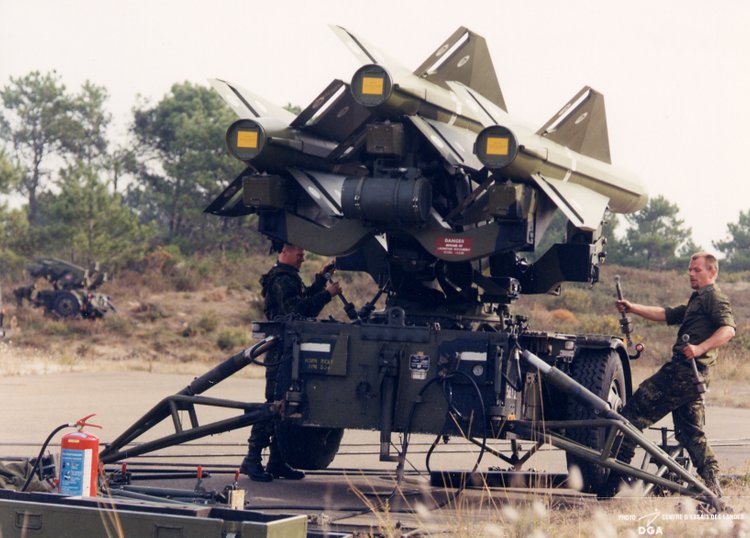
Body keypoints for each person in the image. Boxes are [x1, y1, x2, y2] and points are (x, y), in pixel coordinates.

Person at [607, 252, 735, 497]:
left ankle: (617, 474)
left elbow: (728, 329)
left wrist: (700, 348)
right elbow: (666, 314)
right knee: (691, 434)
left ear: (712, 272)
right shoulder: (698, 299)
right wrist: (632, 308)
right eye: (690, 269)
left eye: (697, 270)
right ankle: (712, 486)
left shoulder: (714, 297)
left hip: (683, 373)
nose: (691, 273)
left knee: (631, 416)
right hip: (693, 378)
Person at [240, 242, 342, 481]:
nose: (302, 258)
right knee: (274, 405)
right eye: (299, 254)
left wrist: (321, 279)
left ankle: (276, 462)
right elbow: (297, 310)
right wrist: (327, 294)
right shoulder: (282, 279)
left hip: (287, 349)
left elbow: (302, 300)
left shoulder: (288, 277)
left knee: (285, 407)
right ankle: (251, 460)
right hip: (281, 352)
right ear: (284, 252)